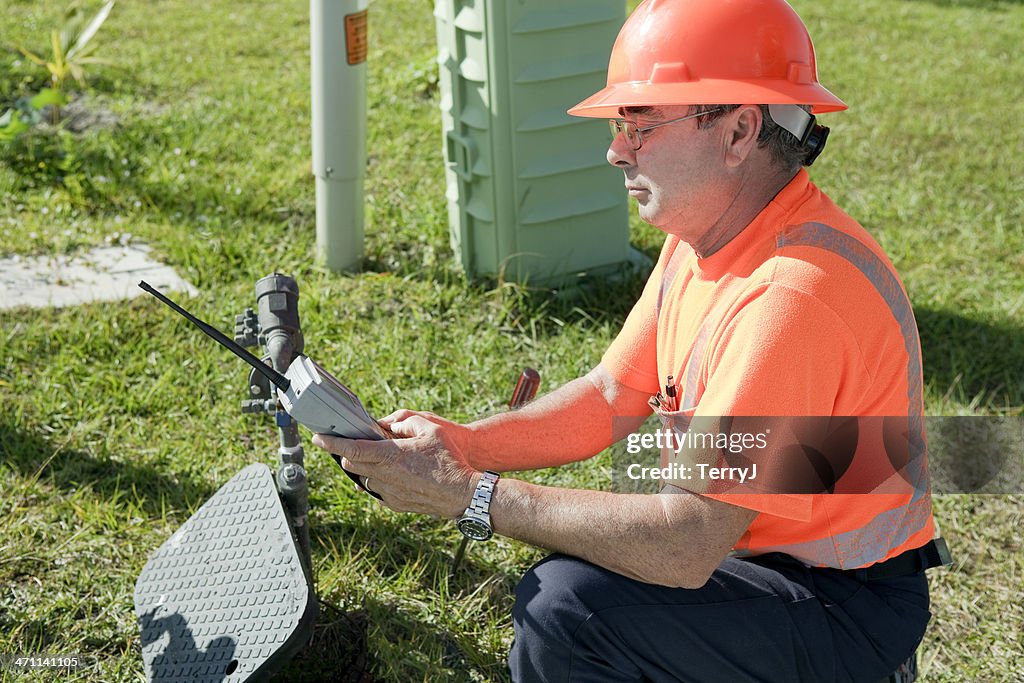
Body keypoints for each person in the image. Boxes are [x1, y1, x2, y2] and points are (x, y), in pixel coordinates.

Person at [313, 0, 950, 680]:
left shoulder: (791, 295)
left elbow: (685, 543)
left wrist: (472, 495)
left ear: (739, 131)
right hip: (760, 562)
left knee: (568, 610)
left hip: (840, 609)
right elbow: (611, 394)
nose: (616, 149)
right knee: (575, 591)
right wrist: (464, 445)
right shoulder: (707, 238)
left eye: (640, 124)